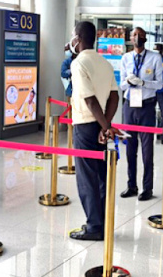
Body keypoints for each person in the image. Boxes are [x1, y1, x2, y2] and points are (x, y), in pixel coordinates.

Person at [68, 21, 119, 241]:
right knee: (100, 177)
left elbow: (89, 100)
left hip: (85, 125)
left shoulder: (79, 63)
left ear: (78, 38)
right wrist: (105, 125)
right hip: (100, 124)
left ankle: (94, 227)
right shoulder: (105, 63)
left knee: (87, 178)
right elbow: (115, 96)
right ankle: (101, 221)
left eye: (73, 36)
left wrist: (105, 127)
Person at [119, 27, 163, 201]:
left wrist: (143, 82)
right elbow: (121, 84)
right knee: (130, 149)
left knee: (147, 150)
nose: (137, 38)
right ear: (130, 38)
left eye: (140, 35)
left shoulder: (154, 57)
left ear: (145, 37)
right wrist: (128, 82)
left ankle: (147, 188)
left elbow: (159, 84)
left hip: (146, 106)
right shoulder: (125, 58)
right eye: (134, 35)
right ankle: (131, 185)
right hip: (130, 105)